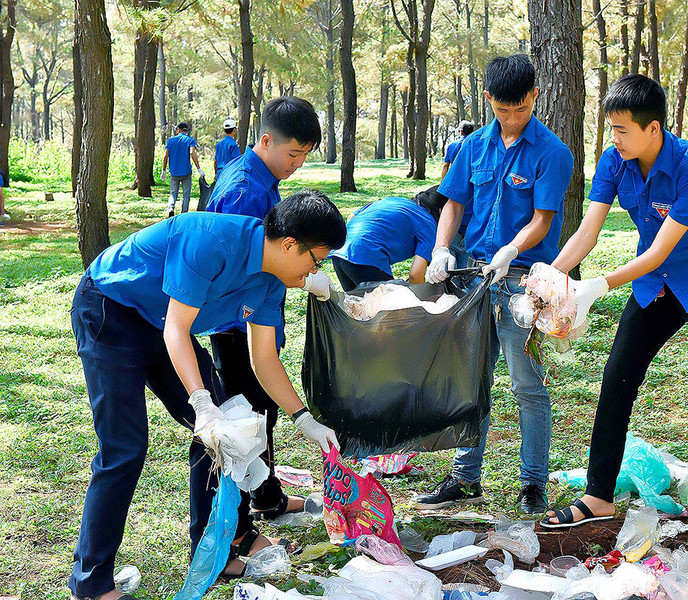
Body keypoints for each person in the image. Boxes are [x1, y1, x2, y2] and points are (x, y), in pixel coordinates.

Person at [68, 191, 346, 600]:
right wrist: (201, 403)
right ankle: (90, 585)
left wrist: (302, 417)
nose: (313, 272)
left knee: (223, 434)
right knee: (125, 448)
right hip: (111, 309)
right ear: (289, 244)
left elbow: (264, 357)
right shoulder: (210, 241)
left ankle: (213, 551)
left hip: (161, 321)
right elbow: (177, 331)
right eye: (315, 260)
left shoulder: (274, 280)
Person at [541, 74, 688, 532]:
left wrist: (597, 285)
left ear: (652, 129)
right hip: (653, 282)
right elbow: (587, 232)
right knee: (617, 376)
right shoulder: (615, 160)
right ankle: (598, 496)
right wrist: (553, 277)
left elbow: (661, 250)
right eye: (611, 129)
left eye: (621, 129)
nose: (613, 138)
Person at [419, 54, 575, 514]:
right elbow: (453, 204)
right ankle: (466, 478)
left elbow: (543, 219)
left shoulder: (552, 152)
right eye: (503, 110)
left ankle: (533, 484)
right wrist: (442, 249)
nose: (512, 118)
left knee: (526, 384)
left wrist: (512, 250)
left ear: (535, 96)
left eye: (521, 109)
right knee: (472, 378)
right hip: (473, 276)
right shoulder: (473, 146)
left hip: (524, 282)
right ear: (488, 100)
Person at [206, 96, 331, 522]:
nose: (297, 164)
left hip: (251, 316)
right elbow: (245, 269)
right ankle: (238, 521)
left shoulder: (263, 180)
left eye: (305, 156)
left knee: (263, 411)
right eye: (293, 153)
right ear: (265, 140)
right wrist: (302, 277)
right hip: (236, 321)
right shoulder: (244, 191)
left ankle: (267, 496)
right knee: (246, 418)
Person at [330, 186, 448, 291]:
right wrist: (425, 302)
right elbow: (415, 275)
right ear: (441, 211)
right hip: (365, 255)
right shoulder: (429, 225)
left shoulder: (396, 200)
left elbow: (351, 217)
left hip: (339, 252)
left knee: (358, 309)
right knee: (391, 311)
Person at [442, 121, 476, 267]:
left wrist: (444, 186)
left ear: (460, 132)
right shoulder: (477, 144)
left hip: (456, 188)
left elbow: (445, 166)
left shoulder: (453, 146)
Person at [162, 122, 204, 218]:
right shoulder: (190, 140)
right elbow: (192, 153)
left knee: (173, 192)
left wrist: (163, 170)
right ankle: (183, 214)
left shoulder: (171, 141)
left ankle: (171, 207)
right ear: (186, 131)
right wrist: (198, 168)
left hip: (174, 172)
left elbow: (165, 155)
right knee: (186, 194)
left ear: (178, 130)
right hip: (186, 172)